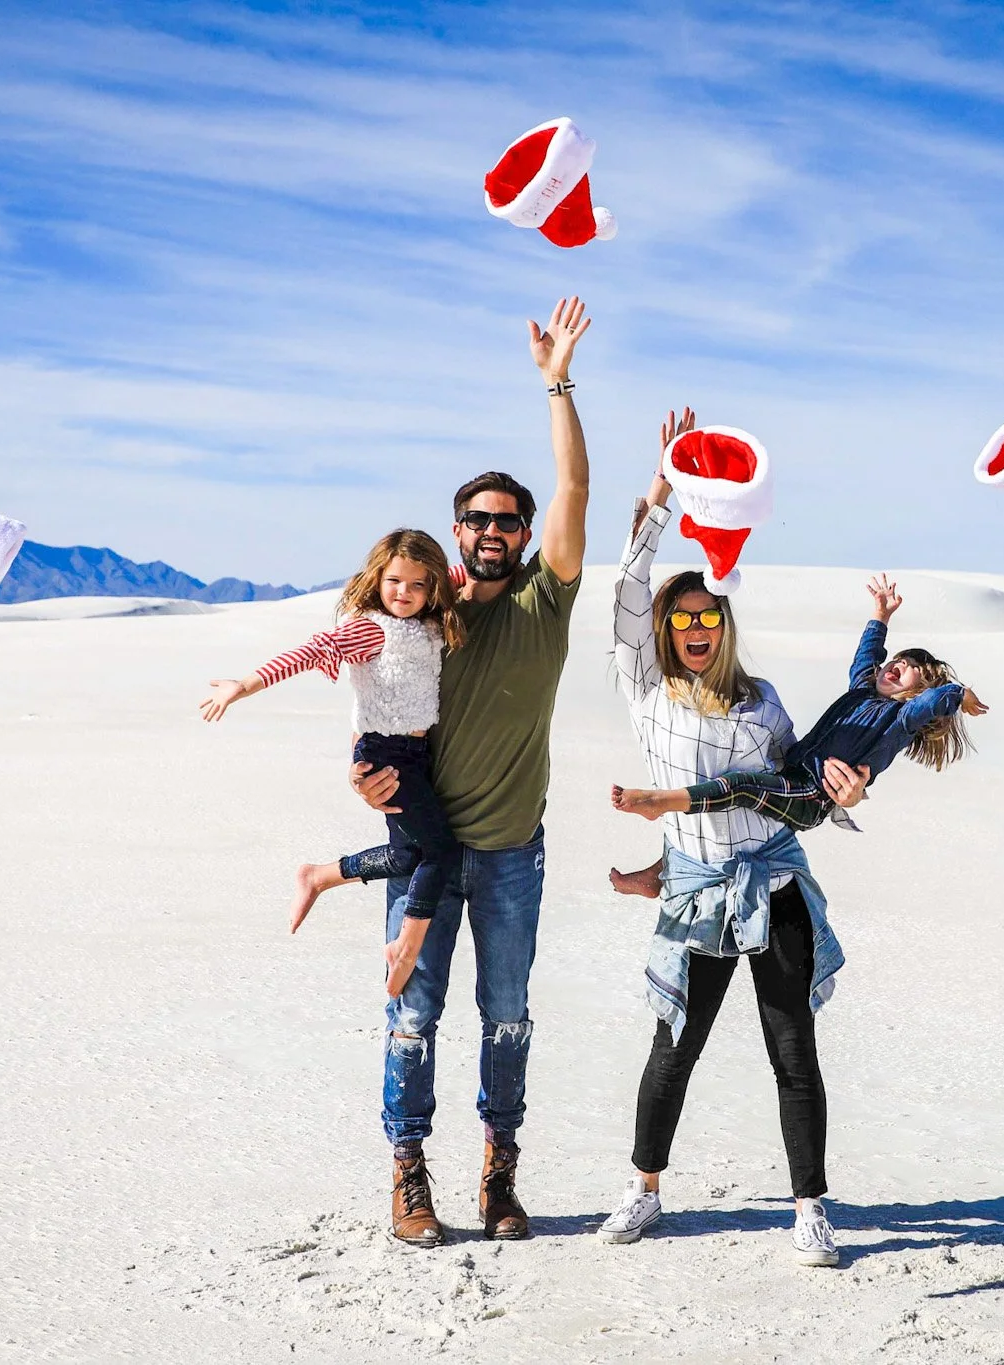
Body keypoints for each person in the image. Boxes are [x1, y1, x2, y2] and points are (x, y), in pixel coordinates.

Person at [595, 409, 868, 1268]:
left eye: (708, 614)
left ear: (726, 622)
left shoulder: (764, 703)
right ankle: (643, 1190)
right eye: (681, 620)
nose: (693, 627)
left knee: (792, 1047)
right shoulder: (646, 690)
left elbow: (797, 795)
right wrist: (664, 490)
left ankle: (810, 1207)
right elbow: (628, 592)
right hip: (696, 892)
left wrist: (841, 788)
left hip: (774, 887)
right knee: (675, 1045)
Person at [348, 297, 593, 1248]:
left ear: (526, 533)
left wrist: (557, 384)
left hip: (511, 857)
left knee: (506, 1016)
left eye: (509, 518)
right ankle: (409, 1173)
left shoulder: (545, 599)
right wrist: (363, 777)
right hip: (425, 854)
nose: (493, 528)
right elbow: (370, 703)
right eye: (477, 517)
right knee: (411, 1017)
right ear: (457, 531)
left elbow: (575, 487)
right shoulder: (421, 615)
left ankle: (499, 1175)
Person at [198, 528, 464, 999]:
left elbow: (467, 574)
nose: (404, 592)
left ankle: (319, 875)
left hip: (419, 755)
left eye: (418, 584)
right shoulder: (369, 627)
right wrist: (244, 685)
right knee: (441, 851)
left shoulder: (427, 622)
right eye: (394, 581)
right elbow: (311, 651)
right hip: (385, 755)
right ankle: (405, 946)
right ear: (377, 579)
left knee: (408, 856)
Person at [610, 573, 988, 830]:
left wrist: (957, 694)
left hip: (812, 796)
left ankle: (661, 801)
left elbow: (930, 705)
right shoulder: (862, 689)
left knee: (741, 786)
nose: (897, 665)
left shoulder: (901, 719)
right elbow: (865, 656)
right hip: (793, 774)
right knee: (735, 801)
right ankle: (664, 867)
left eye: (910, 670)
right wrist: (879, 617)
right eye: (897, 661)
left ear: (919, 691)